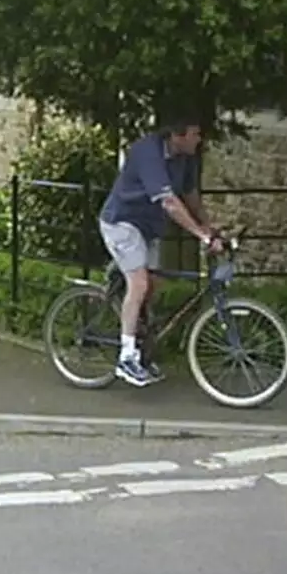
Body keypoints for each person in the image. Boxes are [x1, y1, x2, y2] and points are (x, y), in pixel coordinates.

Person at [97, 118, 220, 387]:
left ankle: (138, 342)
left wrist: (208, 227)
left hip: (148, 228)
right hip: (122, 222)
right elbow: (170, 202)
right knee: (139, 283)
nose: (199, 140)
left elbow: (190, 196)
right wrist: (200, 235)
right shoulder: (148, 152)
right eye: (195, 133)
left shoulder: (185, 158)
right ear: (177, 134)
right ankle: (126, 358)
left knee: (151, 286)